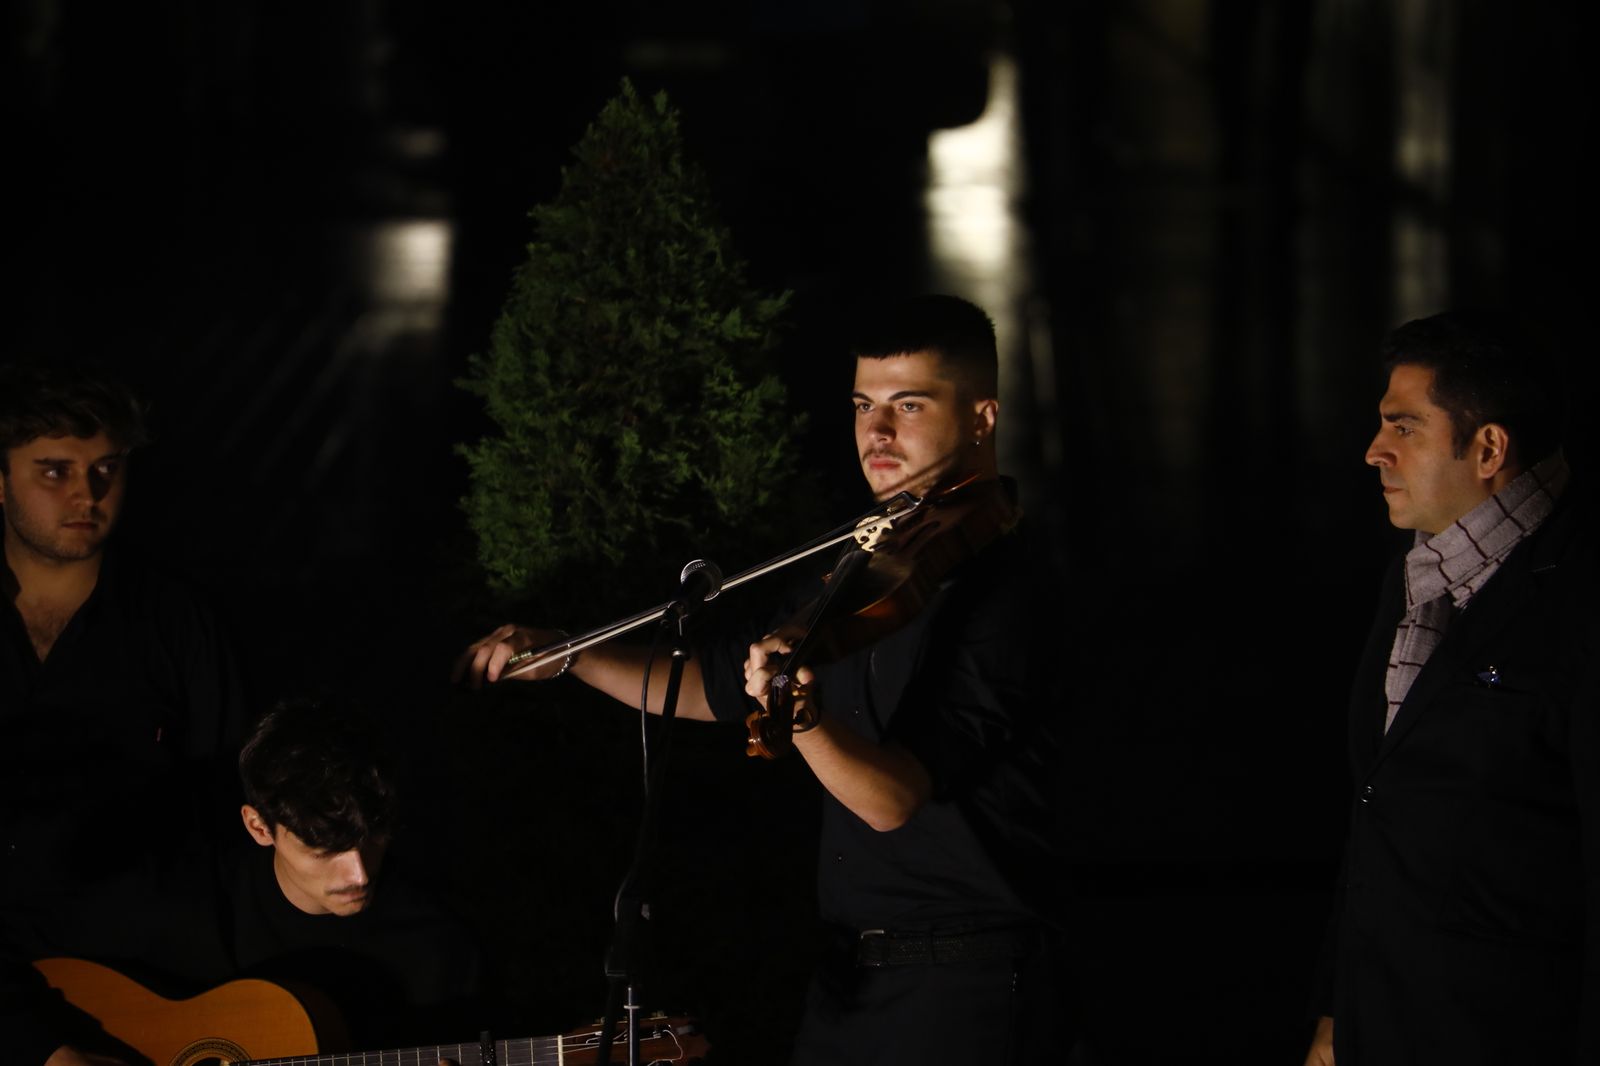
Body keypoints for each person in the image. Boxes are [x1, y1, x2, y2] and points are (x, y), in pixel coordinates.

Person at [458, 294, 1071, 1065]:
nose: (876, 434)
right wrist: (573, 655)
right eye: (862, 406)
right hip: (850, 983)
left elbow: (892, 799)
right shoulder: (866, 560)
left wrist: (803, 716)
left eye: (907, 405)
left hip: (969, 984)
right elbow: (716, 684)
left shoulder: (1006, 588)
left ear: (982, 418)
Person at [1303, 312, 1597, 1065]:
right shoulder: (1419, 576)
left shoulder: (1577, 597)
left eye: (1404, 428)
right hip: (1383, 1026)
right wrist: (1338, 1017)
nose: (1375, 452)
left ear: (1489, 447)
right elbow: (1377, 811)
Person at [0, 361, 249, 1064]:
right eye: (55, 471)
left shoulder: (178, 622)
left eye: (106, 469)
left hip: (148, 994)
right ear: (1, 481)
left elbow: (229, 800)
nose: (87, 493)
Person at [11, 698, 484, 1061]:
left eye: (372, 837)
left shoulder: (438, 948)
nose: (358, 873)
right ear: (259, 827)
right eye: (323, 850)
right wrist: (56, 1056)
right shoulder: (175, 901)